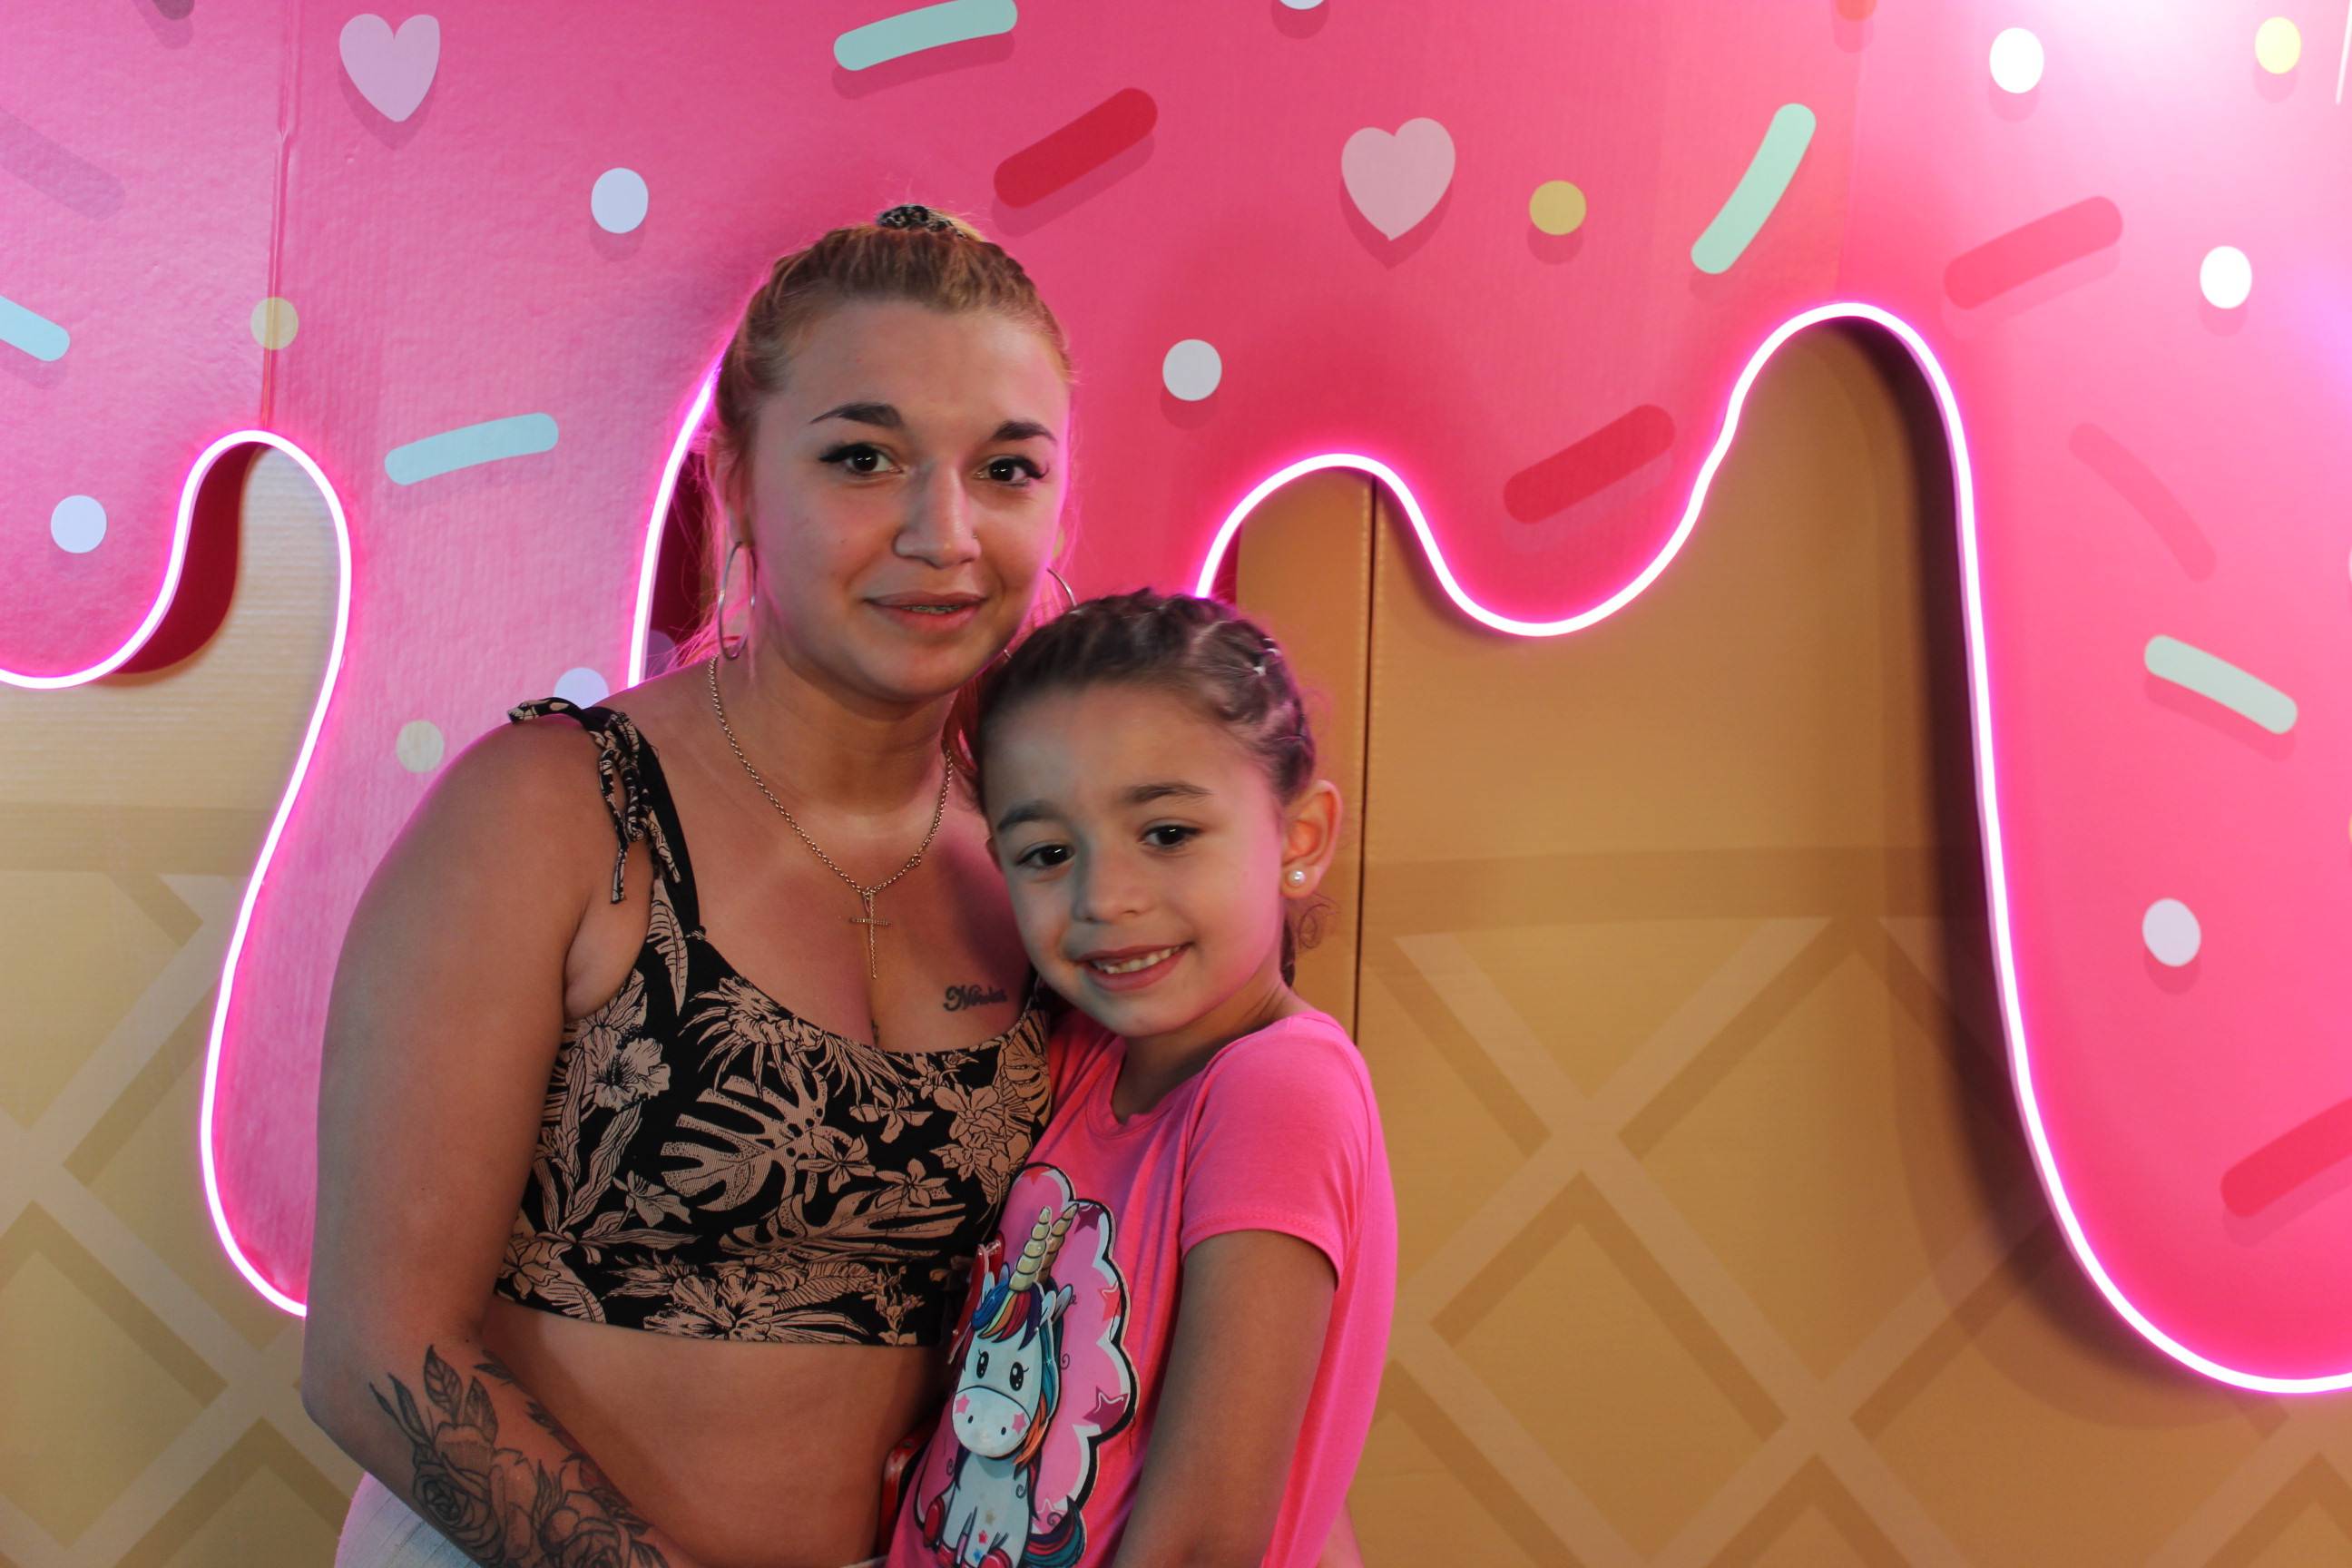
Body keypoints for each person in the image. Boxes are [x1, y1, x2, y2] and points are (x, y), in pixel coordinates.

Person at [304, 204, 1073, 1568]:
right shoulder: (552, 813)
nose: (944, 532)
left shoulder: (1048, 868)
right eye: (863, 457)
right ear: (735, 484)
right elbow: (377, 1352)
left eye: (1006, 469)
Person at [890, 592, 1396, 1568]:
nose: (1104, 898)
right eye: (1048, 854)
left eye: (1167, 833)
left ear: (1299, 838)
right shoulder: (1081, 1059)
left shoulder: (1278, 1087)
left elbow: (1206, 1539)